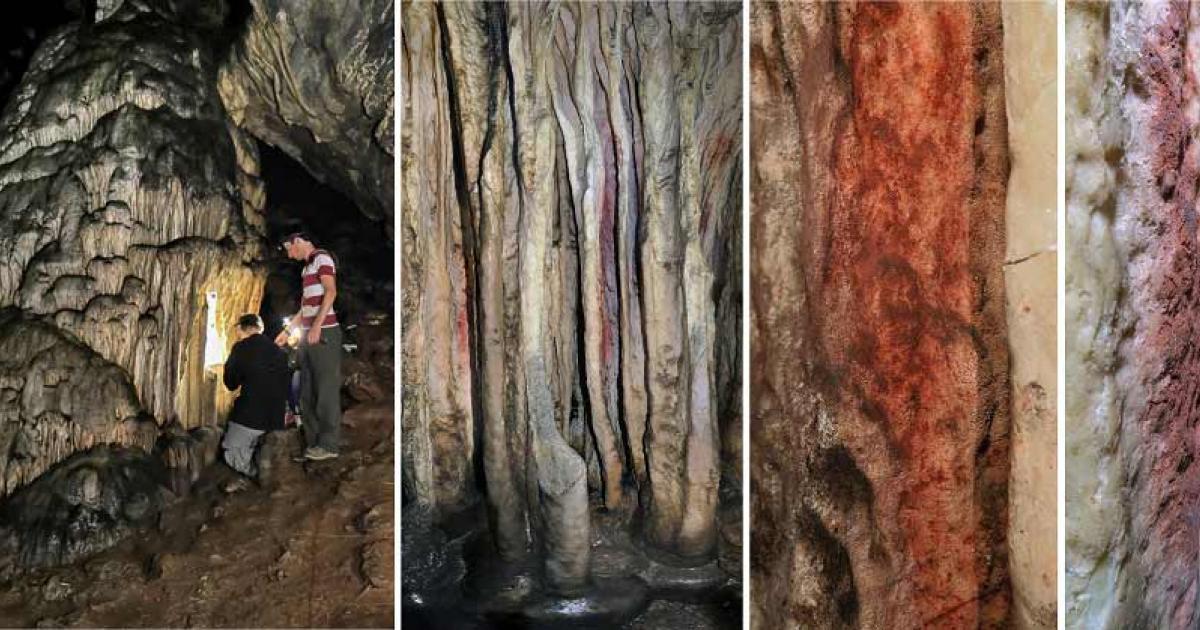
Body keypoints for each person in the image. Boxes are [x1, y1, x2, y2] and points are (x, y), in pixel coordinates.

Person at [275, 231, 342, 461]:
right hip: (309, 334)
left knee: (325, 389)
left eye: (288, 249)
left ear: (297, 242)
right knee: (306, 390)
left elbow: (331, 292)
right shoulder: (307, 269)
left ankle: (329, 444)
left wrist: (317, 326)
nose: (289, 255)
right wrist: (287, 331)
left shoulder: (322, 259)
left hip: (324, 334)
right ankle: (314, 445)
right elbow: (306, 307)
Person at [222, 313, 290, 489]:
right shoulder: (279, 352)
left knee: (231, 451)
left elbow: (230, 383)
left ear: (240, 328)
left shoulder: (241, 348)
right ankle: (268, 464)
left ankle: (255, 473)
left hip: (251, 418)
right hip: (276, 419)